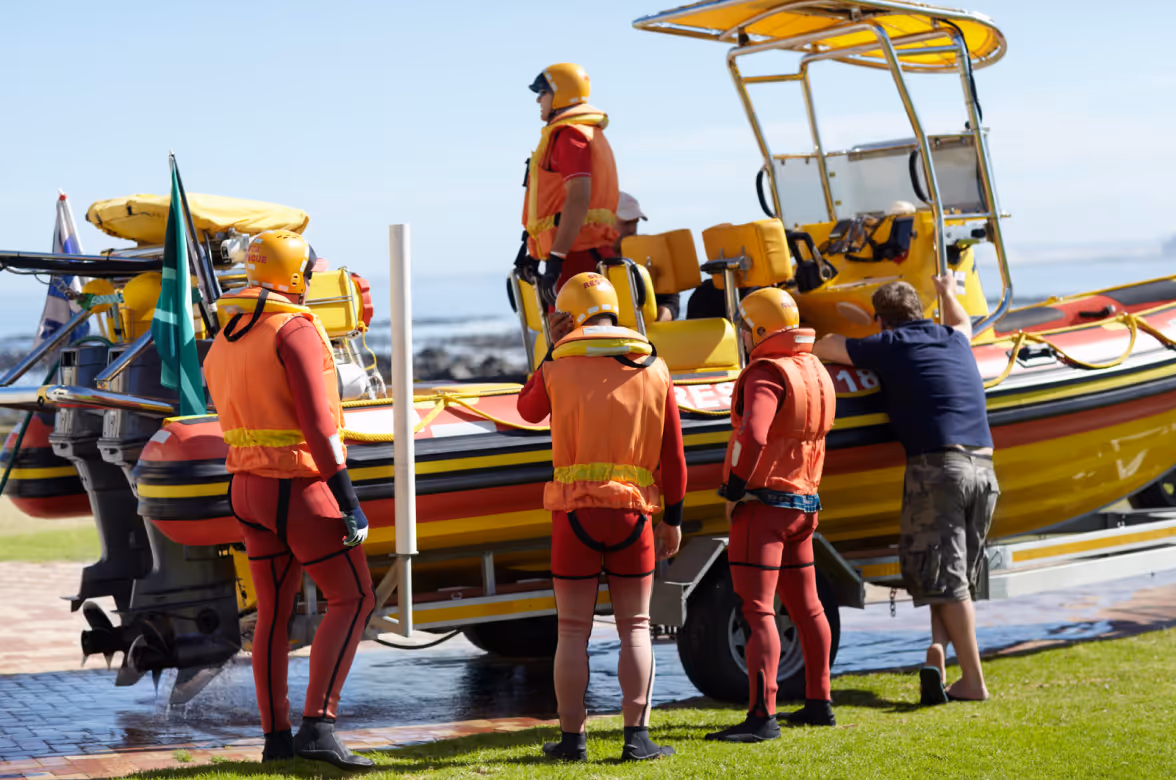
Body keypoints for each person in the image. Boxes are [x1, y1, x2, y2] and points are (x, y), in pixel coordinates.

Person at [204, 230, 377, 769]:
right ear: (297, 275)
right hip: (298, 485)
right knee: (354, 599)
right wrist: (347, 496)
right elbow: (319, 424)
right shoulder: (294, 328)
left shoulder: (227, 330)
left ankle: (276, 739)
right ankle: (319, 727)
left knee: (274, 614)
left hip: (246, 487)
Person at [517, 272, 685, 762]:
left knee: (571, 630)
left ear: (566, 316)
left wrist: (551, 349)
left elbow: (527, 410)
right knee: (635, 626)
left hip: (573, 518)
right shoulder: (654, 367)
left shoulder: (558, 367)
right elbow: (673, 457)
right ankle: (637, 738)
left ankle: (572, 741)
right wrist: (672, 517)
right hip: (634, 515)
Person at [813, 276, 997, 705]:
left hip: (939, 467)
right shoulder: (953, 339)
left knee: (945, 579)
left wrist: (852, 327)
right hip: (985, 469)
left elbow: (826, 346)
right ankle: (938, 657)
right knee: (947, 573)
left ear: (881, 320)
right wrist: (948, 290)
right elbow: (964, 321)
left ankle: (974, 681)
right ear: (920, 311)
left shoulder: (889, 345)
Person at [705, 288, 838, 742]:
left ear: (760, 329)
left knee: (758, 610)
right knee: (808, 606)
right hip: (806, 503)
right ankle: (819, 702)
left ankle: (763, 716)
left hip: (764, 507)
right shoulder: (814, 368)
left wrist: (734, 488)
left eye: (745, 327)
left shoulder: (767, 372)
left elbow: (754, 433)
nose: (741, 334)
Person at [515, 63, 619, 313]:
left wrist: (556, 259)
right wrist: (532, 252)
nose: (539, 99)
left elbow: (578, 199)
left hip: (576, 257)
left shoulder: (570, 136)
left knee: (569, 343)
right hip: (583, 252)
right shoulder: (583, 132)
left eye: (542, 92)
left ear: (559, 94)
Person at [612, 192, 678, 321]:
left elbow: (670, 300)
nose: (632, 229)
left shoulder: (649, 251)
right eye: (626, 223)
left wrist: (660, 320)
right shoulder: (590, 259)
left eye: (635, 222)